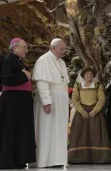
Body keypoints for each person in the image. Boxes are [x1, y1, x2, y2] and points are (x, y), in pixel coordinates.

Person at [32, 38, 70, 168]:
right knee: (47, 129)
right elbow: (42, 83)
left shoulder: (62, 63)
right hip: (50, 100)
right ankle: (45, 160)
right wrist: (46, 102)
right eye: (61, 49)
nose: (63, 52)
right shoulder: (43, 60)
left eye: (64, 49)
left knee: (60, 131)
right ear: (53, 47)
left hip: (61, 101)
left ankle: (58, 159)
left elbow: (64, 82)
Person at [0, 38, 36, 169]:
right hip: (12, 101)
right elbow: (7, 81)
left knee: (21, 130)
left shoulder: (19, 61)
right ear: (15, 48)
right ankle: (8, 161)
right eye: (24, 47)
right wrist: (25, 76)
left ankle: (19, 160)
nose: (26, 49)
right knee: (11, 130)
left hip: (21, 101)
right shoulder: (7, 60)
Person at [68, 67, 111, 164]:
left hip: (94, 113)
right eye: (87, 74)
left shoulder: (97, 85)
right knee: (81, 135)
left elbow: (101, 99)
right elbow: (75, 99)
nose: (89, 75)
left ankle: (98, 158)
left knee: (96, 134)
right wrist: (81, 111)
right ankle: (80, 158)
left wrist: (95, 110)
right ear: (83, 75)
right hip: (82, 113)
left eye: (91, 74)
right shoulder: (78, 85)